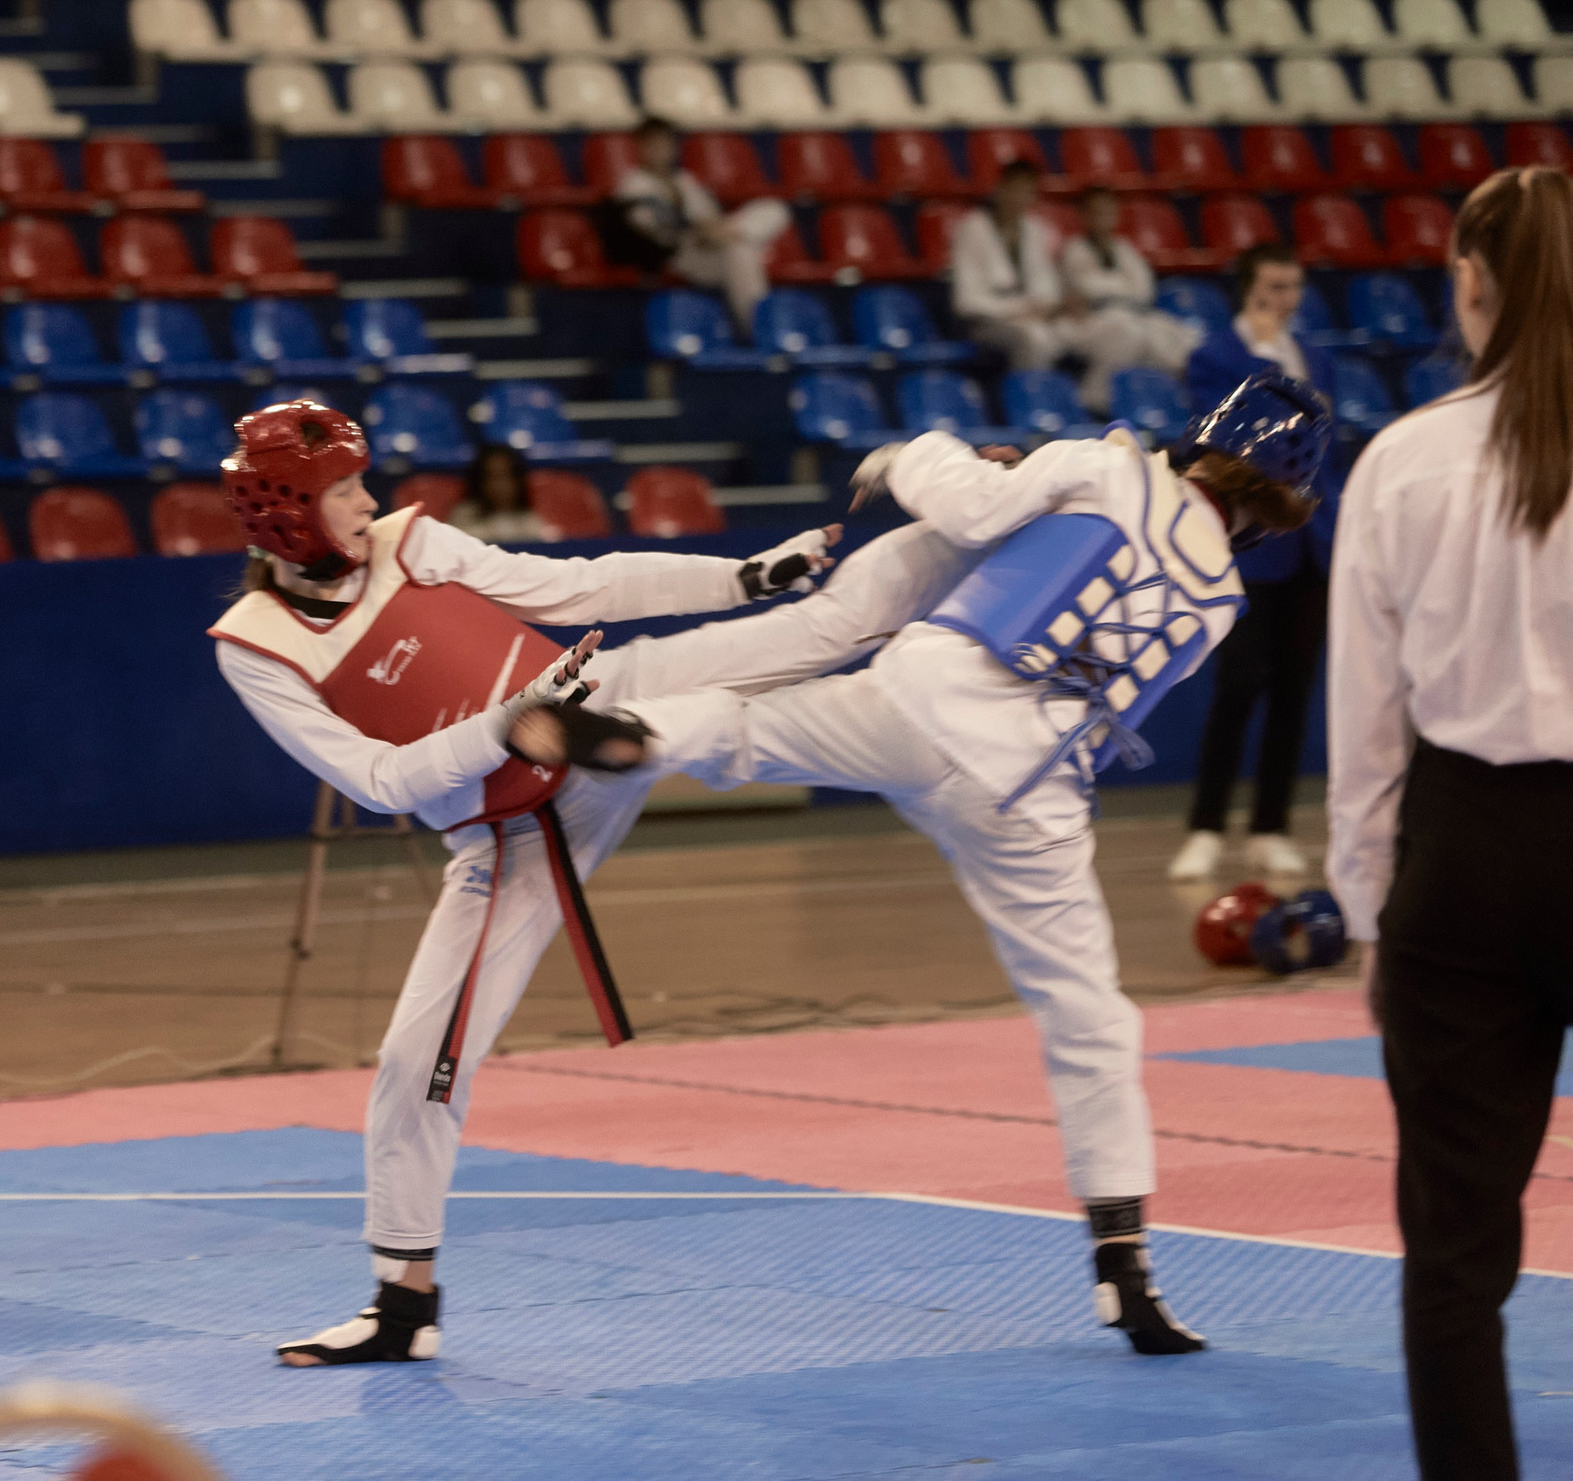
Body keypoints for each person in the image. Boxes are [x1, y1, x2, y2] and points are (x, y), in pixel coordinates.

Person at [211, 400, 986, 1367]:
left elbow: (577, 588)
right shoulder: (258, 644)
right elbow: (377, 782)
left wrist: (741, 576)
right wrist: (510, 724)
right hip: (512, 837)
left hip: (604, 699)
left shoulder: (413, 540)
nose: (369, 503)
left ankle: (982, 518)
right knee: (414, 1067)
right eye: (343, 492)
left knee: (820, 624)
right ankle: (401, 1307)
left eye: (362, 483)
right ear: (285, 515)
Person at [623, 371, 1333, 1354]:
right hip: (1025, 791)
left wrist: (908, 454)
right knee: (1089, 1015)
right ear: (1281, 512)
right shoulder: (1219, 600)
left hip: (924, 701)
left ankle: (633, 733)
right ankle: (1123, 1264)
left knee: (746, 730)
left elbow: (969, 510)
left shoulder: (1104, 466)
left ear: (1201, 441)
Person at [1330, 166, 1573, 1481]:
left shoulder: (1404, 462)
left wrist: (1372, 911)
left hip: (1465, 862)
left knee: (1456, 1248)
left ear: (1470, 286)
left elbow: (1364, 733)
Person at [1170, 243, 1334, 881]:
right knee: (1237, 687)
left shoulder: (1316, 359)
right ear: (1247, 289)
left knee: (1294, 690)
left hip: (1308, 546)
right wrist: (1267, 357)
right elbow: (1231, 439)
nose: (1282, 299)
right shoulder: (1216, 356)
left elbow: (1325, 452)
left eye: (1292, 286)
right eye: (1271, 286)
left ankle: (1270, 827)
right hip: (1246, 548)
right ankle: (1206, 827)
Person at [606, 116, 793, 327]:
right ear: (640, 147)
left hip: (715, 241)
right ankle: (763, 328)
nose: (660, 149)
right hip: (680, 254)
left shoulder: (684, 179)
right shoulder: (633, 186)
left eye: (665, 142)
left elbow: (709, 215)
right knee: (740, 252)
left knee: (773, 208)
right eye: (653, 144)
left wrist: (716, 230)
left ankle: (738, 233)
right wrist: (700, 231)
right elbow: (653, 232)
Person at [1056, 186, 1198, 407]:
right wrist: (1122, 284)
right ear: (1084, 216)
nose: (1103, 219)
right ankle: (1094, 402)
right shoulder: (1074, 249)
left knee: (1181, 336)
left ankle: (1168, 402)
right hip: (1093, 320)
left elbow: (1144, 290)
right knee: (1127, 334)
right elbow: (1087, 288)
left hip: (1133, 314)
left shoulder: (1124, 248)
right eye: (1097, 212)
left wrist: (1111, 285)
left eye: (1108, 212)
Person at [949, 160, 1072, 374]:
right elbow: (967, 300)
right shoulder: (972, 229)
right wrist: (1019, 309)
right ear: (1000, 189)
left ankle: (1080, 401)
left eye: (1028, 192)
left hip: (1034, 317)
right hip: (985, 321)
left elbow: (1045, 284)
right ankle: (1027, 403)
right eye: (1015, 190)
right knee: (1033, 340)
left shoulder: (1036, 230)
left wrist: (1048, 306)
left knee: (1083, 332)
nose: (1020, 199)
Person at [447, 443, 557, 545]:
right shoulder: (463, 516)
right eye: (492, 477)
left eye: (506, 476)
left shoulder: (529, 520)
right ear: (479, 481)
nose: (500, 485)